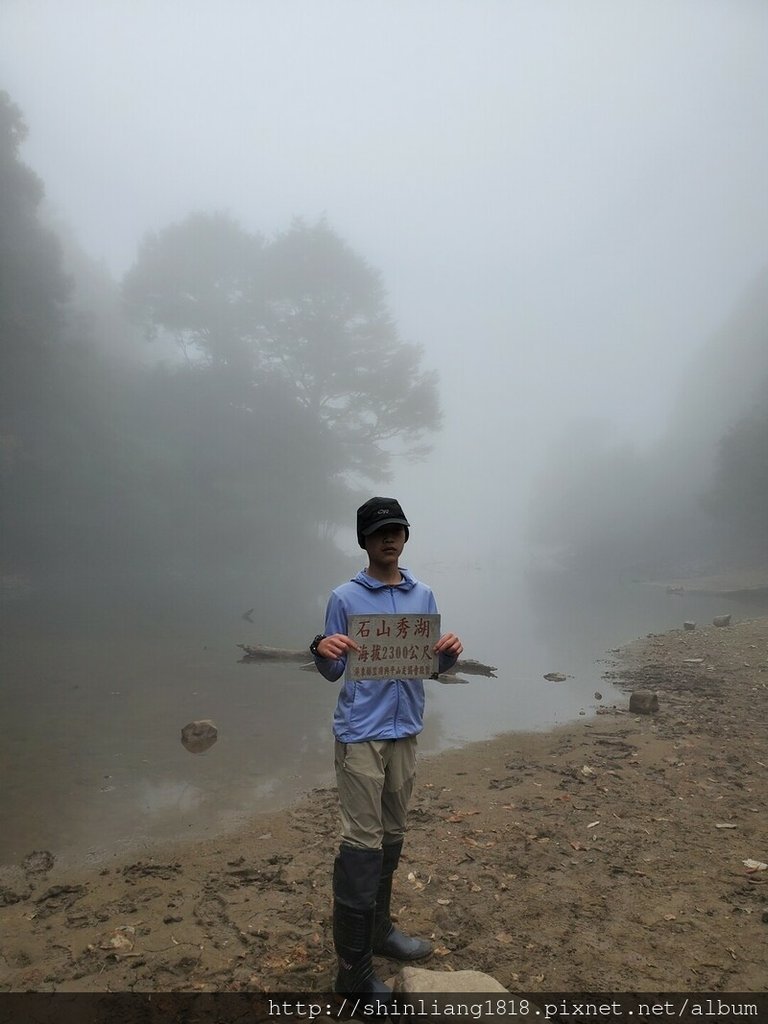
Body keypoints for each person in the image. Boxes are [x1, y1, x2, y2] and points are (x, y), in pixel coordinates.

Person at [311, 497, 463, 1000]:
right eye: (379, 532)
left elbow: (426, 666)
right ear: (364, 540)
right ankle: (352, 972)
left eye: (396, 530)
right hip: (360, 734)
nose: (389, 538)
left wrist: (445, 659)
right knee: (361, 845)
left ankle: (380, 932)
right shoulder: (344, 598)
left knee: (392, 836)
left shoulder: (424, 595)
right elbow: (334, 668)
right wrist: (321, 649)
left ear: (405, 536)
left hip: (406, 730)